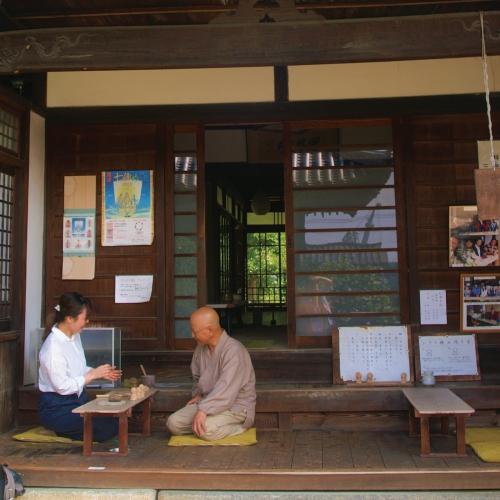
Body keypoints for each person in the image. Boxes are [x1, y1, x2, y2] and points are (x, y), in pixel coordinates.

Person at [38, 292, 122, 442]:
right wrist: (92, 375)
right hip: (57, 408)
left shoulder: (74, 335)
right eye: (85, 318)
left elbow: (78, 368)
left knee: (116, 420)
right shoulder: (52, 348)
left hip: (79, 400)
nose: (87, 321)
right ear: (70, 318)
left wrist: (98, 372)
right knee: (104, 429)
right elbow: (62, 386)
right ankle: (57, 432)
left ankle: (64, 430)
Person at [166, 307, 256, 441]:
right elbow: (197, 379)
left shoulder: (234, 351)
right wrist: (198, 393)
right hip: (207, 401)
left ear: (210, 330)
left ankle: (239, 428)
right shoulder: (200, 348)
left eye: (195, 331)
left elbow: (226, 390)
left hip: (235, 405)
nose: (192, 335)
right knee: (174, 423)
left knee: (205, 429)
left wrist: (203, 410)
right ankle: (208, 425)